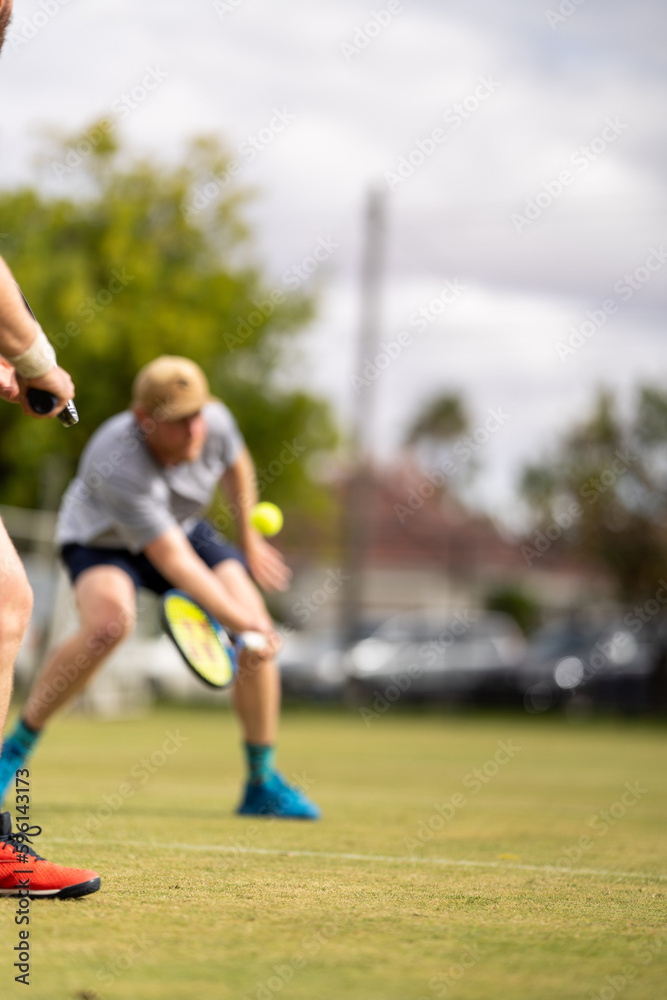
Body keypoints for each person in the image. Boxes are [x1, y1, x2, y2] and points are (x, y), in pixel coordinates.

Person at [0, 355, 321, 820]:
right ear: (144, 420)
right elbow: (172, 560)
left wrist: (249, 545)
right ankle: (15, 749)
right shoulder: (116, 458)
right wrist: (238, 618)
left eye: (197, 417)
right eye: (178, 422)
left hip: (184, 527)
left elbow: (237, 463)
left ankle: (261, 783)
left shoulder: (214, 421)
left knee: (255, 635)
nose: (194, 431)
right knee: (109, 626)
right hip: (101, 539)